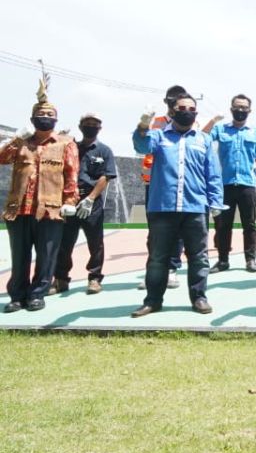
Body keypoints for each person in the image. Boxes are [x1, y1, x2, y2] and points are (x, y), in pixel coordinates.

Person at [131, 94, 222, 317]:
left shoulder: (204, 140)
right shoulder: (158, 136)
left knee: (199, 256)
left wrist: (216, 201)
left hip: (195, 207)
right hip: (163, 208)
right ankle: (152, 300)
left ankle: (199, 298)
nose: (187, 112)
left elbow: (213, 174)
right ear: (172, 111)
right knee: (158, 257)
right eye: (182, 108)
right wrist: (143, 125)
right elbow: (141, 144)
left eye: (192, 108)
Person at [2, 92, 79, 312]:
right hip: (19, 210)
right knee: (19, 256)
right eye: (40, 113)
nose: (45, 116)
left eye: (49, 114)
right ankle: (17, 295)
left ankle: (38, 293)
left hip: (50, 210)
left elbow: (71, 174)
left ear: (56, 119)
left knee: (46, 256)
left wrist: (70, 200)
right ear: (32, 117)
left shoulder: (66, 143)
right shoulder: (22, 143)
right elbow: (1, 158)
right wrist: (15, 139)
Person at [51, 113, 116, 295]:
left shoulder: (104, 151)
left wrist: (90, 199)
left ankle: (94, 278)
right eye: (87, 124)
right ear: (80, 126)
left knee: (95, 242)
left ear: (99, 128)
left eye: (94, 124)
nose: (90, 127)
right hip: (70, 199)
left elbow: (106, 176)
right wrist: (59, 139)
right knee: (65, 242)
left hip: (91, 200)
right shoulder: (71, 148)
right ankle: (61, 279)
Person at [139, 84, 189, 290]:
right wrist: (143, 124)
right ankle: (153, 270)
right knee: (155, 230)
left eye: (178, 100)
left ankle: (171, 268)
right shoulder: (156, 122)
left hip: (180, 182)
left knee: (178, 229)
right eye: (171, 100)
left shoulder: (190, 122)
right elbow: (143, 144)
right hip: (155, 182)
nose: (174, 104)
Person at [209, 94, 256, 273]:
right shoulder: (221, 129)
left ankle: (250, 260)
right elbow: (203, 137)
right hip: (224, 184)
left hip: (247, 184)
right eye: (237, 107)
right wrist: (212, 120)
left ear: (249, 110)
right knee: (223, 225)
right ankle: (223, 260)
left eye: (244, 107)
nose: (240, 110)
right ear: (231, 109)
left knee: (249, 224)